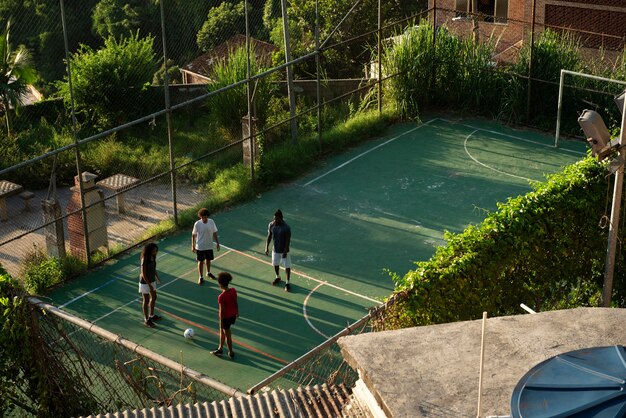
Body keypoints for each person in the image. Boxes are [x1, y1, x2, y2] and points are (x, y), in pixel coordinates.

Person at [211, 272, 239, 359]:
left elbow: (222, 310)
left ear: (220, 284)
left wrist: (221, 320)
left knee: (227, 334)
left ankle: (231, 352)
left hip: (225, 318)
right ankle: (220, 348)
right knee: (222, 331)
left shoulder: (221, 296)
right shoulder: (233, 290)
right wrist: (237, 311)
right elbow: (235, 302)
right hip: (233, 315)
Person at [265, 209, 292, 292]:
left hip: (284, 250)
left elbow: (288, 241)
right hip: (275, 249)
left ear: (281, 218)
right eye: (274, 219)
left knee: (287, 266)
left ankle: (287, 283)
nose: (274, 220)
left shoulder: (286, 228)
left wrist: (285, 251)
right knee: (275, 264)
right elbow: (269, 236)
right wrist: (266, 247)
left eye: (276, 219)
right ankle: (278, 277)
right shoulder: (271, 225)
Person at [192, 208, 220, 285]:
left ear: (207, 216)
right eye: (202, 217)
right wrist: (193, 245)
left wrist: (217, 243)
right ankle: (200, 277)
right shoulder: (197, 224)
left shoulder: (211, 222)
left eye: (205, 217)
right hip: (200, 246)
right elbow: (193, 235)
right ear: (200, 217)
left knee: (208, 259)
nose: (203, 219)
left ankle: (208, 272)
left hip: (209, 245)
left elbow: (214, 233)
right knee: (200, 261)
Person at [139, 242, 162, 328]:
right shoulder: (144, 259)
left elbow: (153, 269)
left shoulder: (153, 257)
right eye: (153, 251)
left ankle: (151, 316)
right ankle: (146, 319)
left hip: (152, 281)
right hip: (145, 282)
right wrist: (149, 284)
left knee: (154, 297)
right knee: (146, 300)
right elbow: (143, 273)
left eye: (156, 251)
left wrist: (157, 277)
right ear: (149, 251)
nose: (155, 252)